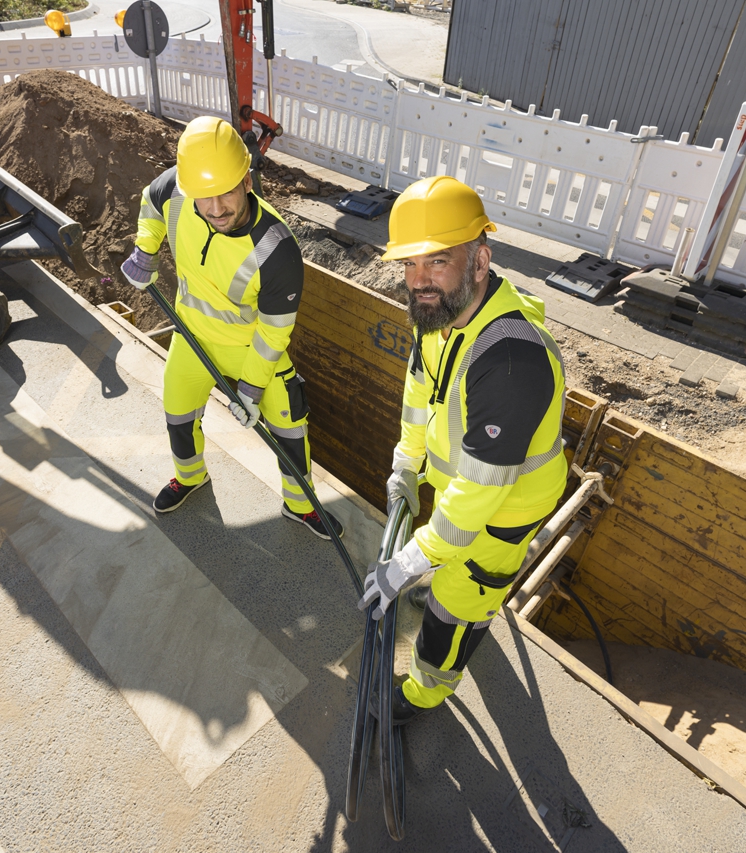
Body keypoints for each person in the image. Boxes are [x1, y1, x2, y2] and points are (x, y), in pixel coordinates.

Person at [359, 175, 568, 722]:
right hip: (462, 484)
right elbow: (418, 392)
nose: (419, 280)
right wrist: (407, 462)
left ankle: (425, 692)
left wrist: (409, 561)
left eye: (437, 261)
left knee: (454, 605)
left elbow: (479, 494)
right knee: (445, 567)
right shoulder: (440, 315)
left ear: (480, 259)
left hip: (504, 510)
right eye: (409, 264)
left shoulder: (510, 360)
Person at [120, 116, 342, 539]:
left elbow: (274, 334)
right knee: (178, 412)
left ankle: (300, 505)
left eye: (226, 192)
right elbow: (150, 200)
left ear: (246, 180)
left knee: (290, 427)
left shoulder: (276, 250)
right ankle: (190, 477)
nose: (217, 208)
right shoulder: (178, 189)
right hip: (192, 338)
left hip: (251, 348)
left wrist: (252, 389)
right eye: (205, 197)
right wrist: (144, 250)